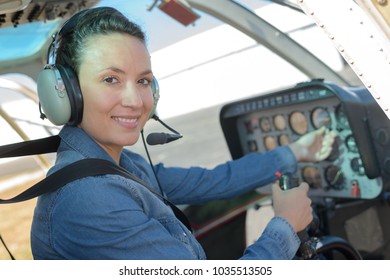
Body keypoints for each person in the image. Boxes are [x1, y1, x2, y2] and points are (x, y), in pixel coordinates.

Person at [30, 7, 336, 260]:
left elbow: (210, 181)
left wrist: (296, 152)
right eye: (111, 79)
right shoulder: (88, 198)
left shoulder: (120, 165)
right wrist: (284, 224)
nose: (136, 101)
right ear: (65, 94)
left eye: (144, 81)